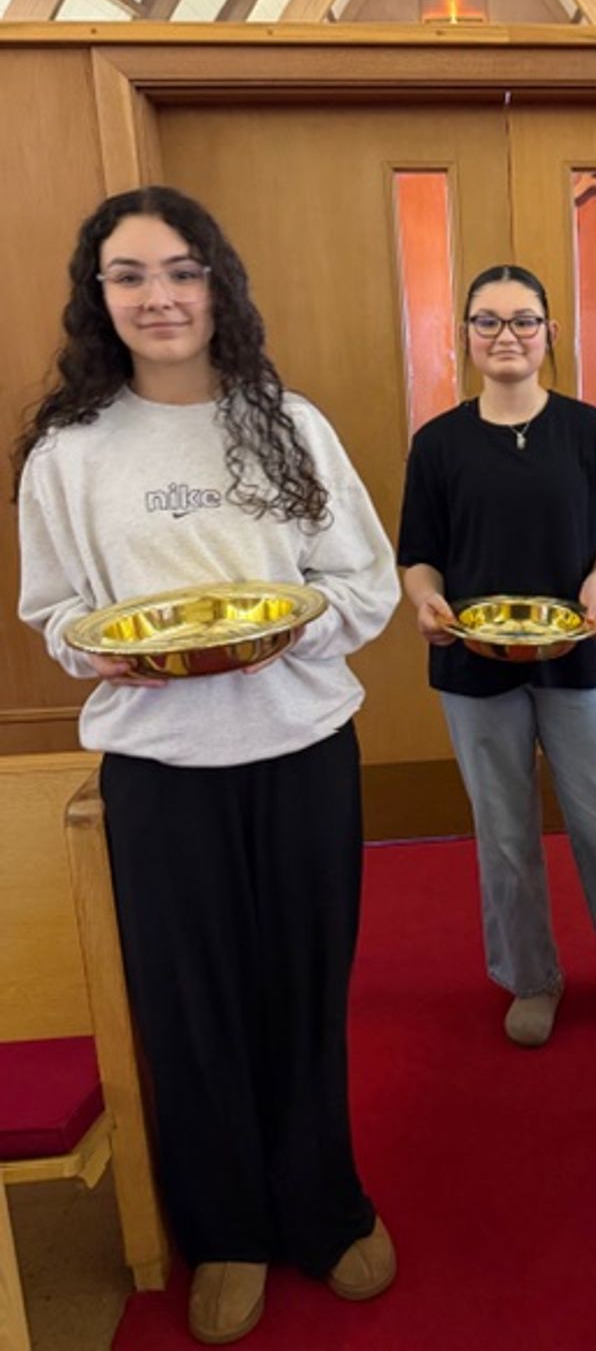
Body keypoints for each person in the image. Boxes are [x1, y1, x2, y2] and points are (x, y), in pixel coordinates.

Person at [15, 187, 401, 1347]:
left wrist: (289, 633)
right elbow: (54, 613)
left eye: (182, 270)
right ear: (98, 297)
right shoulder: (70, 454)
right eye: (130, 275)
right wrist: (105, 647)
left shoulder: (292, 424)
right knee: (189, 1004)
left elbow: (365, 583)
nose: (160, 296)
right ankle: (226, 1229)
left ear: (218, 284)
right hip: (161, 765)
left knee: (304, 984)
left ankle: (324, 1205)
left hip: (301, 747)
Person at [397, 263, 596, 1049]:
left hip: (575, 655)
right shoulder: (437, 444)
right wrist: (427, 602)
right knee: (504, 832)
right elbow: (419, 557)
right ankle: (529, 976)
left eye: (523, 320)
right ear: (466, 335)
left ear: (549, 333)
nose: (507, 335)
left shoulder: (587, 430)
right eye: (488, 321)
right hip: (472, 662)